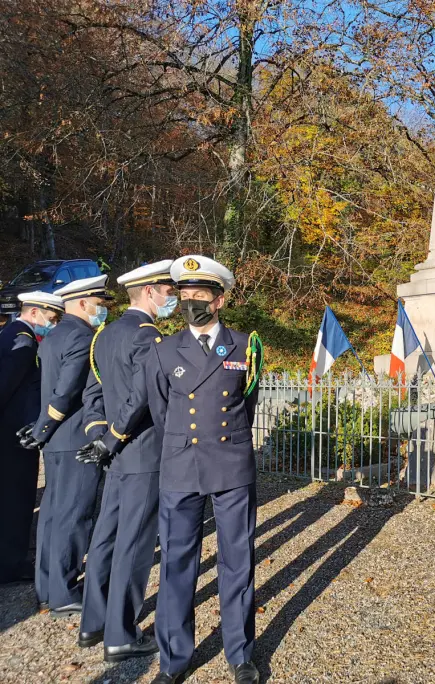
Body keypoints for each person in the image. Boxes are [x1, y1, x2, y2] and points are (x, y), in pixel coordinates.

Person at [147, 255, 263, 684]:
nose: (191, 303)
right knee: (177, 564)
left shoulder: (244, 346)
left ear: (219, 300)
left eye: (200, 295)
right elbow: (161, 412)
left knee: (237, 561)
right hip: (181, 465)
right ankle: (174, 659)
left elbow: (246, 406)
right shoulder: (163, 350)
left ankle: (240, 654)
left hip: (231, 463)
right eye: (185, 295)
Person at [74, 261, 177, 661]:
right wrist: (115, 437)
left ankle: (93, 622)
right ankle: (120, 634)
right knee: (134, 544)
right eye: (168, 291)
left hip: (115, 454)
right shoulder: (148, 336)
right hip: (142, 450)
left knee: (106, 537)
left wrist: (102, 440)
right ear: (150, 292)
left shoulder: (105, 335)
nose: (171, 298)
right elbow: (142, 396)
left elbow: (92, 394)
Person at [19, 275, 112, 615]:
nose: (102, 310)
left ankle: (46, 588)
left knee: (53, 514)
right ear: (83, 303)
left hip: (57, 440)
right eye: (99, 304)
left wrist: (42, 430)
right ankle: (64, 592)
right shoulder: (83, 337)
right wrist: (43, 427)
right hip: (75, 437)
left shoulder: (54, 335)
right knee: (74, 515)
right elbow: (67, 390)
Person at [0, 291, 63, 585]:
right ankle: (11, 564)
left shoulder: (11, 332)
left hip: (10, 430)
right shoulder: (24, 343)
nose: (53, 323)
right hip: (14, 432)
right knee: (17, 498)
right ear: (34, 313)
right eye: (51, 318)